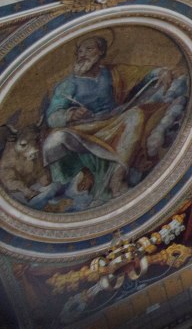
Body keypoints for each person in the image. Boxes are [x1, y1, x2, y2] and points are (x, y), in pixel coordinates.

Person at [39, 35, 184, 209]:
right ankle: (75, 176)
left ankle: (118, 176)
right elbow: (52, 117)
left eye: (89, 49)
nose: (82, 54)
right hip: (85, 129)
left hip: (116, 121)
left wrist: (161, 72)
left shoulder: (114, 73)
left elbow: (143, 75)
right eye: (79, 51)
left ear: (101, 52)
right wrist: (71, 114)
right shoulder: (68, 85)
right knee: (54, 140)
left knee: (135, 115)